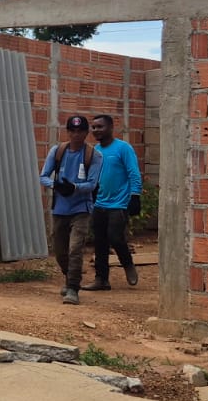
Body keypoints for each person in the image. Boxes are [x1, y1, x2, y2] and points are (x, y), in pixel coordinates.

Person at [39, 114, 102, 305]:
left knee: (75, 248)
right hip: (60, 208)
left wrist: (74, 187)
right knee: (60, 251)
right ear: (67, 132)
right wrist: (56, 185)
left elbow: (92, 184)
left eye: (80, 131)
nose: (76, 135)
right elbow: (43, 176)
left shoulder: (93, 155)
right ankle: (68, 276)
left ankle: (73, 288)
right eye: (72, 131)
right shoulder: (57, 151)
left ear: (86, 133)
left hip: (81, 208)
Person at [86, 114, 143, 291]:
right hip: (100, 203)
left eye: (100, 126)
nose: (96, 130)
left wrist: (135, 195)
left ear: (111, 128)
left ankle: (128, 264)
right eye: (94, 127)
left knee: (115, 237)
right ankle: (101, 279)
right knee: (100, 242)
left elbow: (133, 172)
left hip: (119, 204)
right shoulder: (95, 151)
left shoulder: (123, 148)